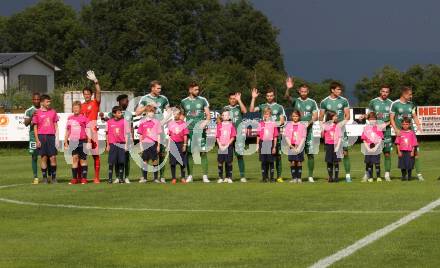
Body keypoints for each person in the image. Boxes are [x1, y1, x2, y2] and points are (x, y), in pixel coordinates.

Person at [285, 77, 319, 182]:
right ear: (299, 91)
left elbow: (315, 116)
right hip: (297, 131)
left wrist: (308, 124)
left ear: (308, 91)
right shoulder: (296, 101)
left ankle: (310, 176)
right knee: (295, 154)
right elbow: (286, 97)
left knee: (310, 153)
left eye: (305, 91)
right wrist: (288, 88)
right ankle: (295, 177)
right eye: (302, 91)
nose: (303, 93)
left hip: (309, 131)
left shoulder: (312, 102)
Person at [136, 81, 170, 183]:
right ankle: (144, 177)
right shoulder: (145, 98)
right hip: (148, 131)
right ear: (152, 88)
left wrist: (164, 121)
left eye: (160, 88)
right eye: (158, 88)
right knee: (145, 156)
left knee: (161, 153)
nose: (160, 90)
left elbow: (169, 111)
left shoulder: (163, 99)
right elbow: (137, 112)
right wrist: (146, 107)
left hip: (159, 130)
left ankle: (162, 176)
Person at [250, 87, 286, 182]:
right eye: (268, 96)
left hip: (275, 136)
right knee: (265, 159)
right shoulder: (262, 106)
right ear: (266, 97)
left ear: (274, 96)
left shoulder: (279, 107)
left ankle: (278, 176)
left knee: (277, 156)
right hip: (265, 138)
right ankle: (265, 177)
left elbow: (282, 121)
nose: (269, 97)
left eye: (271, 95)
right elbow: (251, 110)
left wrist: (271, 124)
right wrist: (253, 98)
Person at [319, 81, 352, 182]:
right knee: (330, 155)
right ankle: (330, 176)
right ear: (332, 90)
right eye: (338, 89)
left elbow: (348, 116)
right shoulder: (324, 102)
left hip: (341, 130)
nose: (340, 91)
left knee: (345, 152)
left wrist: (339, 125)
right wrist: (322, 128)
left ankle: (347, 176)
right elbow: (320, 117)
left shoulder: (344, 101)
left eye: (340, 89)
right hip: (329, 132)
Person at [390, 86, 424, 181]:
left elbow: (414, 116)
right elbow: (391, 118)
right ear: (404, 94)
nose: (411, 96)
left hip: (411, 133)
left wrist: (418, 126)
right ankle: (404, 175)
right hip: (401, 134)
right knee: (402, 155)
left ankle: (419, 174)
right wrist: (396, 129)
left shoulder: (411, 104)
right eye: (410, 94)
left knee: (416, 154)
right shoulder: (395, 104)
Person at [180, 82, 211, 183]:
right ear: (190, 90)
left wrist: (205, 122)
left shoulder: (203, 100)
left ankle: (205, 176)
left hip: (200, 131)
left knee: (203, 152)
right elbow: (181, 115)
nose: (197, 91)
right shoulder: (183, 102)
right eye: (195, 90)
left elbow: (208, 115)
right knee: (190, 153)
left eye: (198, 89)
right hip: (189, 131)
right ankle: (190, 176)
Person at [365, 85, 394, 181]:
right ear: (380, 92)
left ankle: (387, 174)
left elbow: (393, 118)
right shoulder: (373, 102)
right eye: (383, 91)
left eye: (387, 92)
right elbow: (369, 115)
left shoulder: (391, 103)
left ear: (388, 93)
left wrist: (385, 124)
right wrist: (364, 116)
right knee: (371, 153)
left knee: (387, 153)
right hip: (374, 131)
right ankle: (367, 174)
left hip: (386, 131)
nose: (385, 93)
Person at [105, 94, 133, 182]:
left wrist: (131, 139)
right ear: (120, 101)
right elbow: (109, 126)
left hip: (125, 140)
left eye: (128, 101)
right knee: (116, 159)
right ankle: (117, 177)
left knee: (126, 159)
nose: (127, 102)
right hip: (115, 141)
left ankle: (126, 176)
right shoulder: (111, 114)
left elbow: (131, 127)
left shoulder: (129, 114)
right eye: (125, 100)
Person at [80, 70, 102, 184]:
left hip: (93, 132)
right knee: (81, 156)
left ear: (91, 95)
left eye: (88, 94)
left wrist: (95, 81)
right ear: (83, 95)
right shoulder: (81, 106)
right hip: (82, 133)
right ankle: (80, 177)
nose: (87, 95)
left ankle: (97, 177)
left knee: (95, 154)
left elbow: (99, 92)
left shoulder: (95, 102)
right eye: (85, 94)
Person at [32, 94, 59, 184]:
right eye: (47, 101)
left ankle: (54, 178)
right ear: (42, 102)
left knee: (53, 158)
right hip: (41, 137)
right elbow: (35, 127)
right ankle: (44, 178)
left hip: (51, 137)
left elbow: (56, 125)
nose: (49, 103)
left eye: (50, 101)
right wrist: (37, 140)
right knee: (43, 158)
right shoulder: (37, 113)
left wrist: (57, 139)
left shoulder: (53, 112)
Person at [64, 101, 91, 185]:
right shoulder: (70, 118)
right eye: (74, 108)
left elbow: (88, 130)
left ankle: (84, 179)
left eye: (77, 108)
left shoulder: (84, 118)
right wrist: (65, 141)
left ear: (80, 109)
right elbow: (68, 130)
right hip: (73, 141)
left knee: (83, 160)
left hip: (82, 141)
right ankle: (74, 179)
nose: (75, 109)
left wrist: (89, 141)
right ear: (72, 109)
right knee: (75, 159)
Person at [223, 92, 247, 182]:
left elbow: (245, 111)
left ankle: (242, 176)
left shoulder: (238, 107)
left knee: (239, 156)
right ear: (229, 99)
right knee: (228, 157)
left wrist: (239, 100)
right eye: (231, 98)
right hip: (228, 136)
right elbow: (221, 120)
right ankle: (228, 176)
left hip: (238, 135)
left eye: (234, 98)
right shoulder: (225, 108)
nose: (233, 100)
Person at [137, 105, 162, 183]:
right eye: (150, 112)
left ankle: (155, 178)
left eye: (152, 112)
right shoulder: (142, 122)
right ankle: (144, 178)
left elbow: (158, 134)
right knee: (145, 160)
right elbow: (140, 135)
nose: (152, 113)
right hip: (145, 143)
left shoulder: (156, 122)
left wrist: (158, 145)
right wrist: (140, 145)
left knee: (155, 160)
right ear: (146, 113)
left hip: (153, 143)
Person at [256, 107, 279, 183]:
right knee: (263, 161)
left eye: (268, 114)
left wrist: (274, 147)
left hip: (271, 143)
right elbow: (258, 136)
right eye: (265, 114)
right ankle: (264, 178)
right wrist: (257, 146)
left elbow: (275, 136)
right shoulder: (260, 124)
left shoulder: (273, 124)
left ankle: (272, 178)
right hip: (262, 143)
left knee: (271, 161)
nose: (266, 115)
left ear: (270, 115)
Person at [283, 111, 307, 183]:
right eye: (293, 116)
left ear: (299, 117)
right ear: (291, 117)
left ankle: (299, 178)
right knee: (293, 162)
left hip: (299, 146)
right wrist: (290, 145)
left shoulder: (302, 126)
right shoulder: (288, 125)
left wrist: (299, 147)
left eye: (296, 116)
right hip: (291, 146)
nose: (295, 117)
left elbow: (303, 137)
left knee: (299, 162)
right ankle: (294, 178)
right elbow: (286, 136)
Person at [361, 112, 384, 182]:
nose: (372, 120)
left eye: (374, 119)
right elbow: (364, 140)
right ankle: (370, 177)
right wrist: (368, 148)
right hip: (368, 148)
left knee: (377, 163)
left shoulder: (378, 128)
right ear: (368, 119)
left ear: (376, 119)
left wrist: (375, 147)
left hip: (376, 147)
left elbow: (380, 139)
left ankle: (378, 177)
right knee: (369, 163)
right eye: (371, 119)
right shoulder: (366, 128)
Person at [167, 107, 189, 184]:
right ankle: (173, 178)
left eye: (177, 114)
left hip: (181, 144)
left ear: (180, 115)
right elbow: (169, 135)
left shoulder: (183, 124)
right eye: (174, 114)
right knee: (172, 163)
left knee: (182, 162)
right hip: (173, 145)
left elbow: (185, 135)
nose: (175, 115)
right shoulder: (170, 123)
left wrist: (185, 145)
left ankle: (183, 177)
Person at [24, 92, 41, 184]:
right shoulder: (29, 110)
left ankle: (48, 176)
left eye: (38, 99)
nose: (36, 101)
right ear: (32, 100)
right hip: (33, 137)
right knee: (34, 157)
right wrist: (32, 116)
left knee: (46, 156)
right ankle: (35, 177)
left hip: (43, 136)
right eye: (35, 99)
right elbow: (26, 123)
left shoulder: (44, 109)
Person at [216, 110, 237, 183]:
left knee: (229, 162)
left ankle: (229, 177)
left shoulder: (231, 125)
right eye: (224, 115)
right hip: (221, 146)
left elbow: (233, 137)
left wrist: (227, 145)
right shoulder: (219, 125)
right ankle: (220, 177)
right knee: (220, 162)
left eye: (227, 115)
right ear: (222, 116)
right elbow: (217, 137)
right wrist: (220, 145)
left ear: (229, 117)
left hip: (229, 146)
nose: (225, 116)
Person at [322, 111, 343, 183]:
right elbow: (322, 135)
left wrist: (337, 147)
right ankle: (330, 177)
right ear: (330, 117)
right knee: (329, 162)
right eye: (335, 116)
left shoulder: (337, 126)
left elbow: (340, 137)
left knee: (336, 162)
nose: (337, 117)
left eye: (337, 116)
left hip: (336, 145)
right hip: (328, 146)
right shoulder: (326, 126)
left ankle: (336, 177)